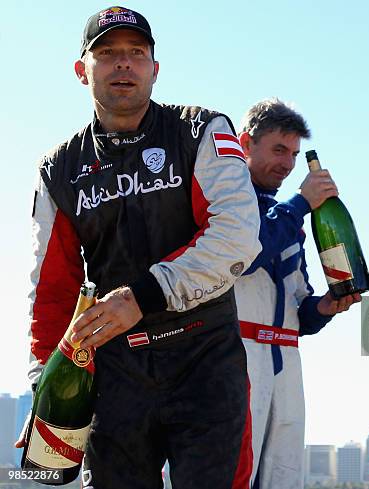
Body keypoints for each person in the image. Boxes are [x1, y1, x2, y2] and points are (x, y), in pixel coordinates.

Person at [18, 6, 260, 489]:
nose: (122, 63)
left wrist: (142, 296)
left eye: (136, 53)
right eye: (107, 53)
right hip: (113, 373)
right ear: (81, 70)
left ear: (155, 68)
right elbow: (50, 291)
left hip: (205, 359)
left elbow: (237, 234)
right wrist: (45, 387)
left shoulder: (203, 130)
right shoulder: (57, 171)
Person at [235, 98, 361, 489]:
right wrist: (302, 202)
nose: (288, 163)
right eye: (278, 149)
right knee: (234, 472)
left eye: (292, 152)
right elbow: (246, 254)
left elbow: (299, 316)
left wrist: (325, 306)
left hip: (286, 361)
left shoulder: (288, 218)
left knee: (283, 477)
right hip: (237, 356)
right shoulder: (223, 200)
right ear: (245, 144)